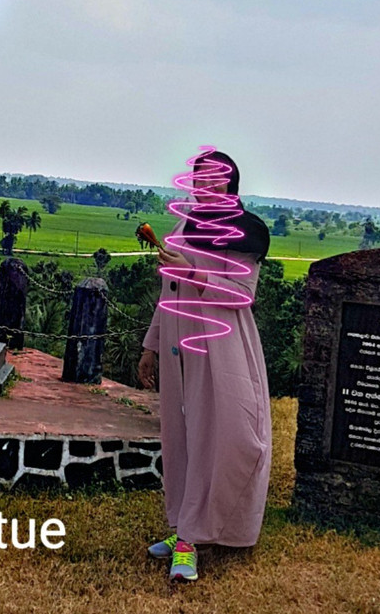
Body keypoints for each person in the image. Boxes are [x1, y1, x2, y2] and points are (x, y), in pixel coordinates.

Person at [137, 150, 272, 582]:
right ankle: (184, 526)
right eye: (200, 178)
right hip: (179, 344)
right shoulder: (183, 227)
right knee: (183, 437)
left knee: (226, 437)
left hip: (222, 347)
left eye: (215, 179)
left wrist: (196, 276)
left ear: (231, 184)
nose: (205, 186)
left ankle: (192, 540)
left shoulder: (243, 232)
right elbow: (168, 288)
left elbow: (242, 294)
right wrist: (151, 345)